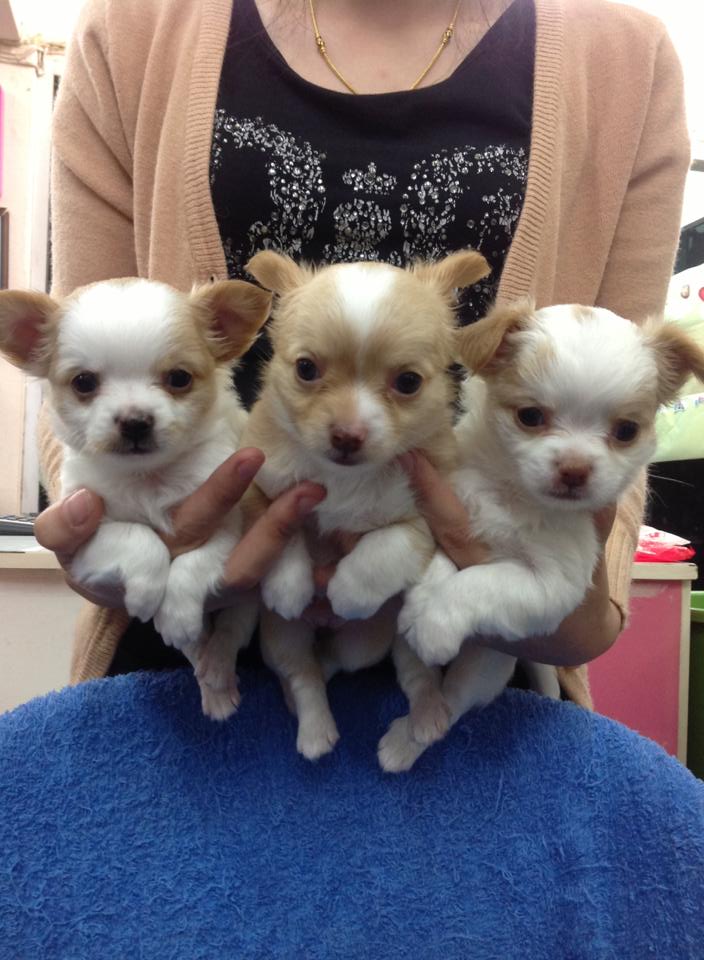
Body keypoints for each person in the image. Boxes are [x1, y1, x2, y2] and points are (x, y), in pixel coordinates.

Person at [35, 0, 690, 704]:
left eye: (406, 381)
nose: (351, 420)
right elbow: (73, 367)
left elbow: (622, 402)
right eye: (308, 371)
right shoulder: (133, 29)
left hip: (484, 660)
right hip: (173, 645)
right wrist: (103, 525)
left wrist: (575, 600)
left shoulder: (625, 57)